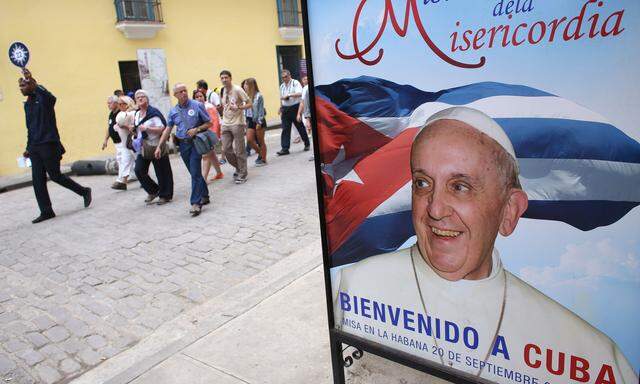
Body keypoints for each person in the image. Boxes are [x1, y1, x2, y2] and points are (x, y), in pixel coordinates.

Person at [333, 107, 638, 384]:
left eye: (460, 187)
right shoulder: (361, 285)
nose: (435, 209)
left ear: (509, 211)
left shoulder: (594, 357)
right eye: (422, 183)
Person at [18, 68, 91, 224]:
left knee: (55, 176)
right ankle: (46, 211)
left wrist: (33, 81)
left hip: (48, 144)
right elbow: (30, 128)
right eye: (20, 87)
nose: (21, 89)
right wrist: (27, 147)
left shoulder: (43, 99)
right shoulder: (27, 104)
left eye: (23, 86)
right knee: (37, 180)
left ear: (31, 85)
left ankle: (84, 191)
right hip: (35, 146)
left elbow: (52, 98)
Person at [166, 84, 211, 216]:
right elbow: (168, 129)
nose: (183, 93)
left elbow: (209, 123)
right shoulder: (173, 111)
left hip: (196, 143)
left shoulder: (197, 105)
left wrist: (196, 129)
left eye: (185, 90)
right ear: (175, 95)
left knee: (195, 171)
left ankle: (196, 203)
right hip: (183, 145)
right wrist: (160, 145)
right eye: (180, 92)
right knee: (194, 172)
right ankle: (205, 195)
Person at [132, 89, 174, 205]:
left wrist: (148, 129)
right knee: (139, 170)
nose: (140, 99)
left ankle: (165, 195)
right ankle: (153, 190)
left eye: (142, 97)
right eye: (138, 97)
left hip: (156, 145)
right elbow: (137, 128)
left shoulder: (154, 112)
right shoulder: (136, 114)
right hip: (143, 147)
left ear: (147, 99)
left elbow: (162, 128)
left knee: (162, 171)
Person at [219, 70, 252, 184]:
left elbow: (249, 103)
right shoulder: (222, 90)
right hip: (225, 123)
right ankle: (239, 168)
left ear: (230, 78)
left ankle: (243, 173)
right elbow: (224, 105)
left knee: (239, 150)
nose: (224, 80)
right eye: (222, 78)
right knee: (226, 149)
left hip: (237, 123)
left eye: (226, 77)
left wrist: (238, 107)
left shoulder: (237, 89)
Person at [277, 69, 310, 156]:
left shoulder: (295, 83)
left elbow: (300, 93)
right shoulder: (282, 86)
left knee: (300, 126)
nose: (284, 79)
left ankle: (307, 143)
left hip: (295, 107)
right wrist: (280, 107)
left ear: (289, 75)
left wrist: (290, 95)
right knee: (285, 129)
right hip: (285, 108)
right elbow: (282, 97)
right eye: (283, 77)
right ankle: (285, 148)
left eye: (286, 77)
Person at [193, 90, 224, 181]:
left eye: (201, 96)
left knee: (206, 156)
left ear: (204, 97)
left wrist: (214, 137)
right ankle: (219, 173)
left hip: (207, 136)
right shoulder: (196, 107)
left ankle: (203, 179)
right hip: (203, 135)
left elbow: (214, 123)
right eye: (197, 97)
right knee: (211, 154)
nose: (199, 98)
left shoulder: (208, 106)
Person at [113, 96, 137, 190]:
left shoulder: (132, 114)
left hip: (133, 143)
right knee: (125, 162)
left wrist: (124, 126)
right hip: (125, 144)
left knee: (139, 161)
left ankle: (145, 178)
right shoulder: (122, 114)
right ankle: (122, 182)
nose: (119, 106)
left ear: (126, 104)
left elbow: (133, 127)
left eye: (120, 104)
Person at [102, 96, 126, 189]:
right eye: (107, 103)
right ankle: (127, 178)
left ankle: (121, 180)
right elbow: (109, 127)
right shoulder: (111, 114)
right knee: (122, 160)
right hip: (116, 142)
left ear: (116, 103)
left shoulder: (121, 113)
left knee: (123, 160)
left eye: (110, 103)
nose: (108, 105)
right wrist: (105, 140)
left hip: (123, 141)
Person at [243, 78, 267, 166]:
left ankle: (263, 159)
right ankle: (260, 153)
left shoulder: (258, 96)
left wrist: (259, 122)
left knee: (261, 141)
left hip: (258, 120)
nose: (244, 86)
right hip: (250, 120)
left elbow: (261, 111)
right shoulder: (245, 96)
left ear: (251, 85)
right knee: (249, 140)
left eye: (246, 84)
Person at [297, 75, 313, 161]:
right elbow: (304, 103)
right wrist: (304, 116)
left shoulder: (307, 88)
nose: (306, 80)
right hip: (310, 115)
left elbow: (304, 103)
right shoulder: (306, 89)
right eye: (304, 79)